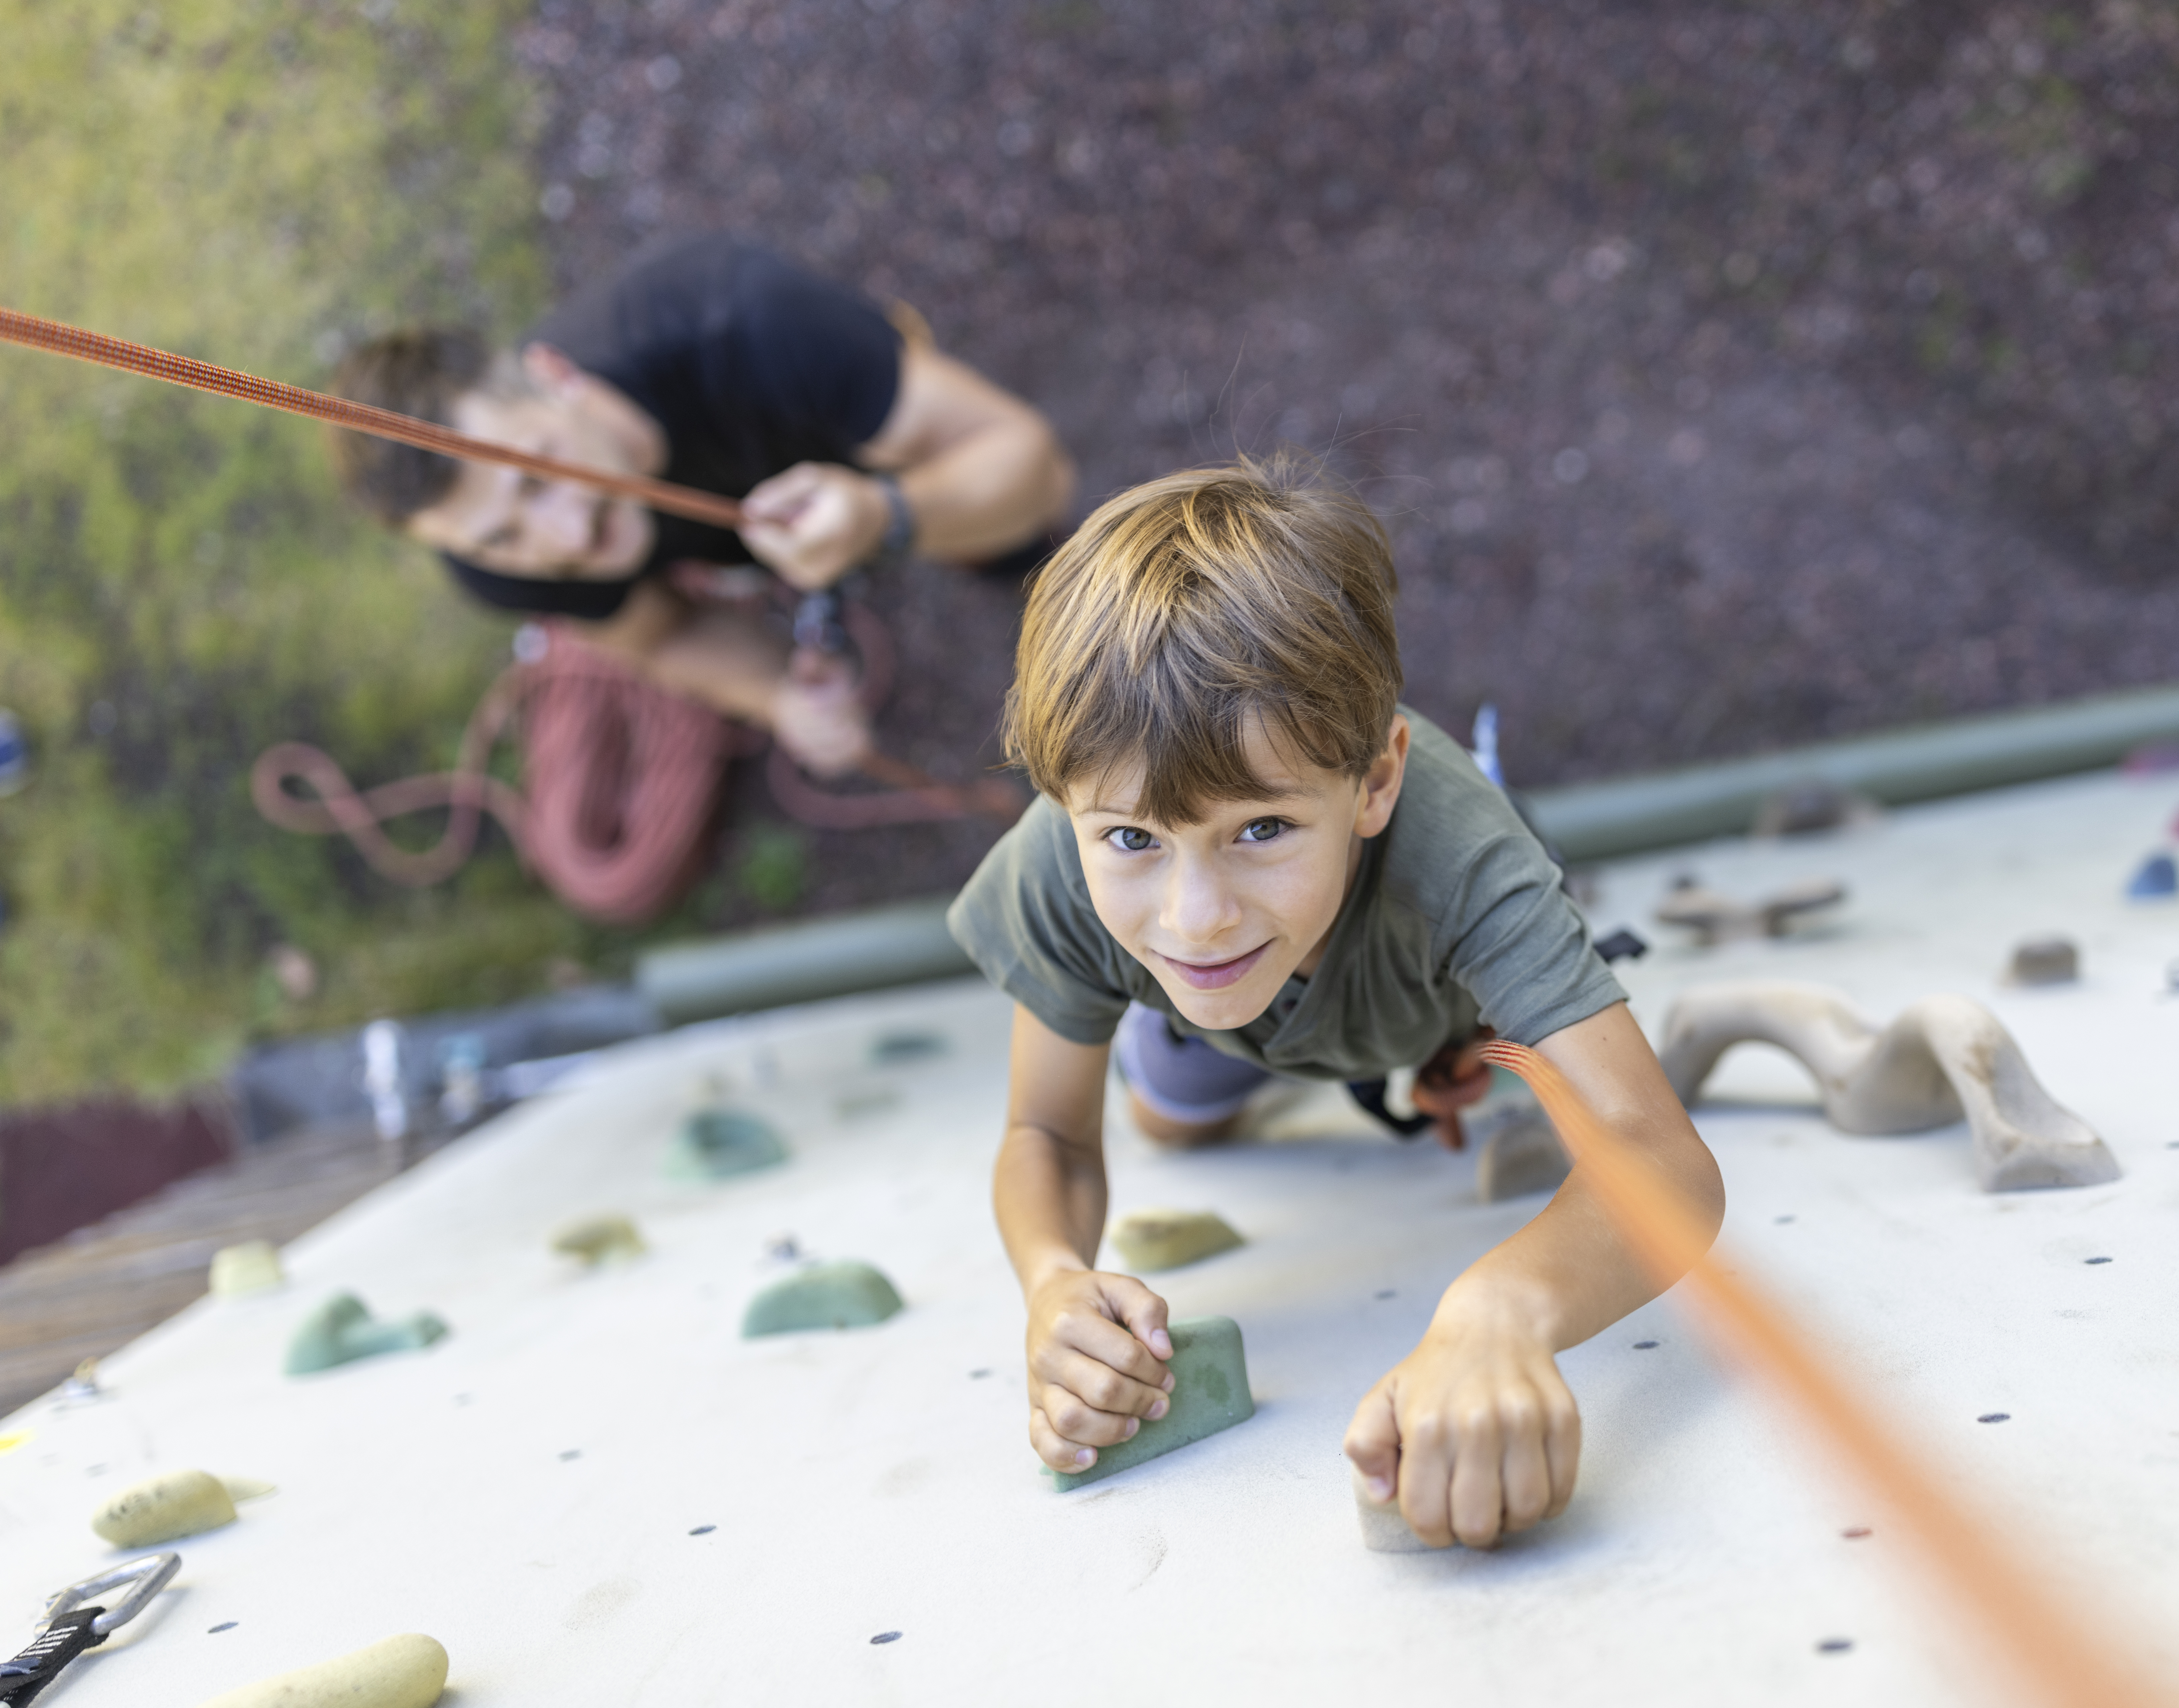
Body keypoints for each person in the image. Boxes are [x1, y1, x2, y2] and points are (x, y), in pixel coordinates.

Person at [946, 457, 1726, 1550]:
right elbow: (1045, 1135)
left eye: (1260, 828)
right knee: (1174, 1117)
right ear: (1063, 805)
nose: (1198, 913)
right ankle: (1173, 1034)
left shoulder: (1460, 849)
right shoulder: (1061, 873)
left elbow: (1664, 1162)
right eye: (1133, 839)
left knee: (1502, 1064)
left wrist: (1503, 1308)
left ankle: (1471, 1010)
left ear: (1375, 778)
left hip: (1427, 989)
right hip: (1208, 1009)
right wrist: (1054, 1283)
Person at [328, 233, 1076, 775]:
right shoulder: (489, 562)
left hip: (848, 448)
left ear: (555, 376)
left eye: (539, 473)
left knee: (1017, 543)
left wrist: (888, 515)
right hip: (740, 535)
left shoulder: (743, 321)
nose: (565, 540)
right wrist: (777, 698)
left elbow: (1035, 466)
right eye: (501, 538)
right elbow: (658, 636)